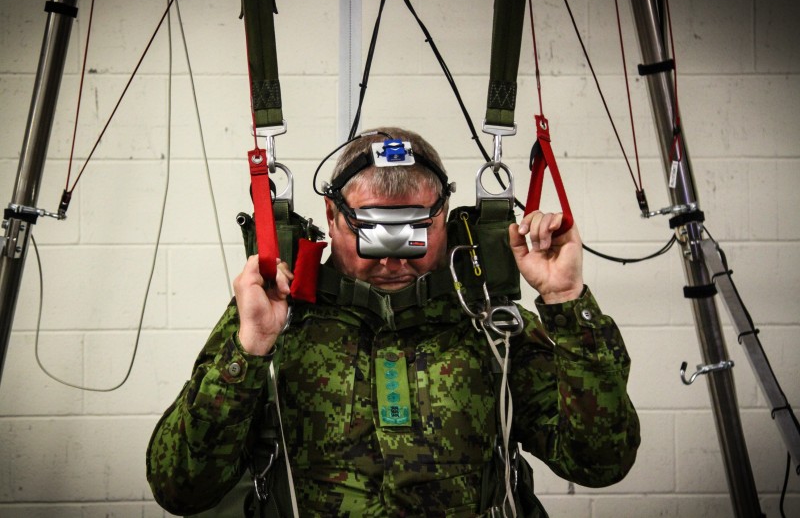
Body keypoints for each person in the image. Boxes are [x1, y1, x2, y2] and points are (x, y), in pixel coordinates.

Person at [146, 127, 640, 517]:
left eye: (413, 237)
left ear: (444, 216)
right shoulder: (274, 315)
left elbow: (599, 464)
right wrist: (249, 349)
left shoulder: (490, 320)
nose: (393, 262)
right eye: (374, 237)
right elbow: (179, 488)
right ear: (331, 216)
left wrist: (565, 299)